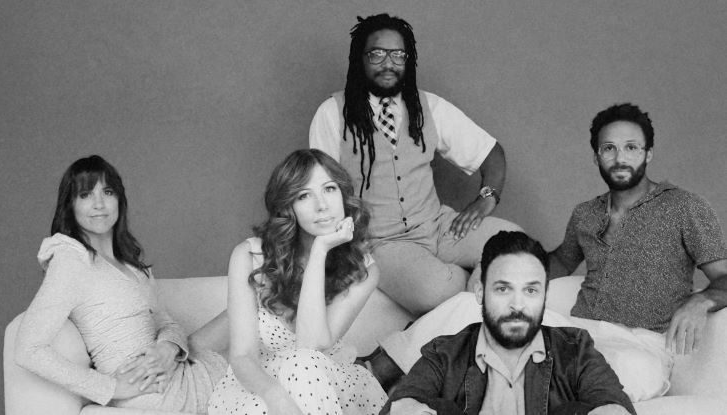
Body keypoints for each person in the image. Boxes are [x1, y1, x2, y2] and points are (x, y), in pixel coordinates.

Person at [368, 103, 727, 402]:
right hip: (575, 332)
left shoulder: (684, 208)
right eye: (609, 148)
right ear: (597, 156)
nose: (620, 158)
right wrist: (498, 277)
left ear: (649, 153)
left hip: (642, 344)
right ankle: (369, 375)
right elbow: (555, 262)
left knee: (621, 373)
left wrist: (701, 301)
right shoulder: (587, 213)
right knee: (467, 307)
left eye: (631, 147)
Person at [309, 13, 520, 314]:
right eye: (377, 54)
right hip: (382, 242)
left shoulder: (429, 107)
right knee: (437, 292)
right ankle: (469, 292)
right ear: (360, 59)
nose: (388, 63)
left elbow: (492, 153)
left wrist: (485, 200)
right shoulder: (332, 113)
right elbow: (320, 194)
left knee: (516, 244)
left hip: (439, 226)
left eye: (398, 54)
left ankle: (467, 295)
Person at [14, 155, 227, 412]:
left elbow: (166, 322)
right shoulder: (71, 259)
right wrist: (109, 388)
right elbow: (28, 349)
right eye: (85, 195)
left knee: (252, 320)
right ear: (70, 206)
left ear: (119, 200)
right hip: (152, 393)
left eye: (107, 191)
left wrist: (167, 349)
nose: (99, 204)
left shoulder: (132, 265)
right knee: (257, 366)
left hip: (176, 371)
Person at [207, 149, 387, 415]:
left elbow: (311, 343)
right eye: (304, 196)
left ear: (343, 194)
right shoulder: (249, 256)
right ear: (288, 206)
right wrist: (277, 397)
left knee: (304, 363)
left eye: (329, 189)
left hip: (328, 381)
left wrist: (320, 250)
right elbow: (243, 356)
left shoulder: (363, 269)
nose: (321, 205)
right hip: (263, 383)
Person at [380, 231, 635, 415]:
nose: (518, 305)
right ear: (480, 293)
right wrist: (409, 408)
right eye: (503, 289)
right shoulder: (444, 354)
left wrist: (609, 410)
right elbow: (402, 401)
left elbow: (612, 400)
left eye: (531, 291)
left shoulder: (575, 350)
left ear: (545, 296)